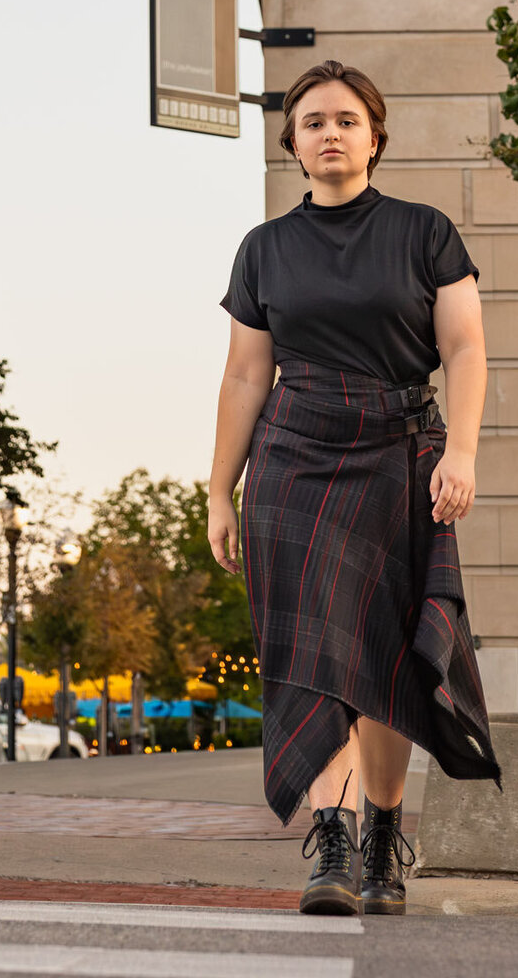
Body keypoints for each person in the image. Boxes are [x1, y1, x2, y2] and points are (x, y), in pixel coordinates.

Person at [208, 59, 500, 917]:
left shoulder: (425, 232)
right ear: (292, 144)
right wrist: (218, 491)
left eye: (345, 119)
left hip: (403, 454)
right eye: (311, 123)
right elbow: (241, 378)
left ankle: (382, 838)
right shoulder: (263, 250)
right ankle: (330, 843)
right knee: (313, 662)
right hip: (293, 459)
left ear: (375, 135)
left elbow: (468, 350)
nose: (329, 133)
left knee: (389, 661)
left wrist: (465, 453)